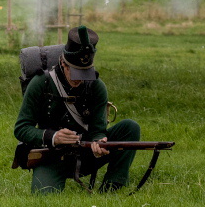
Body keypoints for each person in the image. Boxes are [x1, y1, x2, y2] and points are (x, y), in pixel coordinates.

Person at [14, 26, 141, 194]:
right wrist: (53, 136)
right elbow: (21, 128)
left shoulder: (97, 86)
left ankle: (111, 189)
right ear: (62, 63)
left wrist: (99, 141)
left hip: (86, 153)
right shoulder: (40, 83)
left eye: (84, 73)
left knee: (130, 128)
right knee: (43, 197)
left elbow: (98, 129)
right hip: (52, 156)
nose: (79, 79)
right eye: (74, 72)